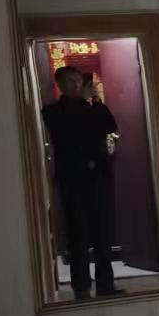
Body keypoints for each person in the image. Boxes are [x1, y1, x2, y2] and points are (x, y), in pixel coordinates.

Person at [42, 65, 119, 300]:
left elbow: (110, 126)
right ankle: (82, 287)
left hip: (98, 178)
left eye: (78, 80)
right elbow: (69, 131)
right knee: (78, 235)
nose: (76, 84)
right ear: (60, 85)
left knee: (102, 233)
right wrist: (84, 104)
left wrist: (94, 102)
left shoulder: (92, 107)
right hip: (72, 181)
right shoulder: (52, 111)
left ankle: (106, 285)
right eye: (70, 81)